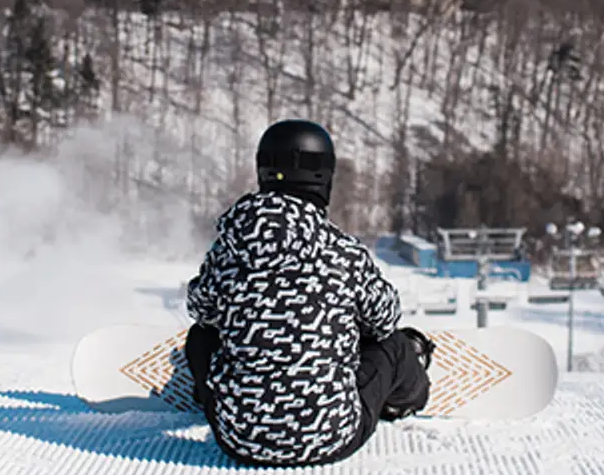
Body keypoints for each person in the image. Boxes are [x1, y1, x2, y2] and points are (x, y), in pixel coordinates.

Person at [183, 119, 434, 467]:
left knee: (201, 336)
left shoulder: (230, 246)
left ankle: (214, 393)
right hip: (330, 438)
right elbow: (385, 318)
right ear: (325, 176)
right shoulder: (342, 250)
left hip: (238, 440)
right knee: (393, 345)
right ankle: (406, 396)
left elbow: (199, 309)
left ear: (263, 171)